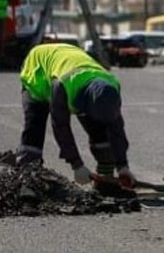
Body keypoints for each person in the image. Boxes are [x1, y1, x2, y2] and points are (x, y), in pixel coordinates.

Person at [15, 43, 136, 193]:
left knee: (99, 128)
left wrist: (123, 166)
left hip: (73, 65)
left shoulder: (111, 86)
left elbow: (116, 128)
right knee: (35, 126)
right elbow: (60, 126)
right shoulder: (63, 86)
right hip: (38, 70)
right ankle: (28, 181)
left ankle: (105, 180)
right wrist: (77, 165)